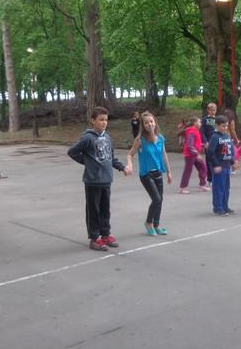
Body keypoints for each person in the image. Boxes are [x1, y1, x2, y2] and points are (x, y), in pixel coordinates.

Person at [68, 107, 131, 251]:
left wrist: (122, 168)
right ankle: (94, 238)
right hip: (93, 181)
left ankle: (105, 235)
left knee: (105, 210)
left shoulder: (108, 138)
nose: (104, 122)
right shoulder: (87, 138)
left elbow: (111, 158)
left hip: (106, 180)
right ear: (93, 120)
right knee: (93, 211)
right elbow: (72, 152)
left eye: (106, 120)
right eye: (101, 120)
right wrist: (87, 162)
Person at [126, 112, 172, 236]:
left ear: (155, 122)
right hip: (146, 175)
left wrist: (169, 172)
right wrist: (129, 165)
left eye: (151, 121)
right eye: (146, 123)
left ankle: (156, 225)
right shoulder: (140, 140)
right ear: (143, 125)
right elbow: (130, 154)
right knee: (156, 199)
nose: (149, 124)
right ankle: (148, 223)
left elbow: (164, 155)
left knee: (160, 200)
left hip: (158, 173)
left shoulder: (160, 138)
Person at [208, 115, 239, 216]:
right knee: (219, 188)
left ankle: (225, 206)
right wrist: (215, 165)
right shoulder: (214, 137)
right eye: (223, 126)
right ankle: (218, 208)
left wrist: (233, 162)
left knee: (226, 188)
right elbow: (210, 152)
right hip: (219, 166)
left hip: (227, 166)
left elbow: (230, 151)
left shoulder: (226, 136)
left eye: (226, 126)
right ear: (217, 125)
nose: (225, 128)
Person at [178, 116, 209, 194]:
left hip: (194, 154)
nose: (200, 123)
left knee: (203, 168)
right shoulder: (191, 131)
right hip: (190, 155)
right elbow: (190, 145)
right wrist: (197, 154)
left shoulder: (195, 131)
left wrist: (202, 145)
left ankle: (202, 185)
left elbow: (195, 143)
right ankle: (182, 188)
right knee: (188, 170)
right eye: (199, 122)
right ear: (195, 123)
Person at [201, 102, 218, 185]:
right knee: (209, 161)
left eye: (214, 110)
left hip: (217, 142)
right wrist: (205, 142)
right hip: (208, 142)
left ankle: (217, 177)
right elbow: (202, 132)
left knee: (217, 160)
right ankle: (210, 179)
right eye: (211, 110)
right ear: (208, 110)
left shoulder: (218, 120)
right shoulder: (204, 120)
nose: (213, 112)